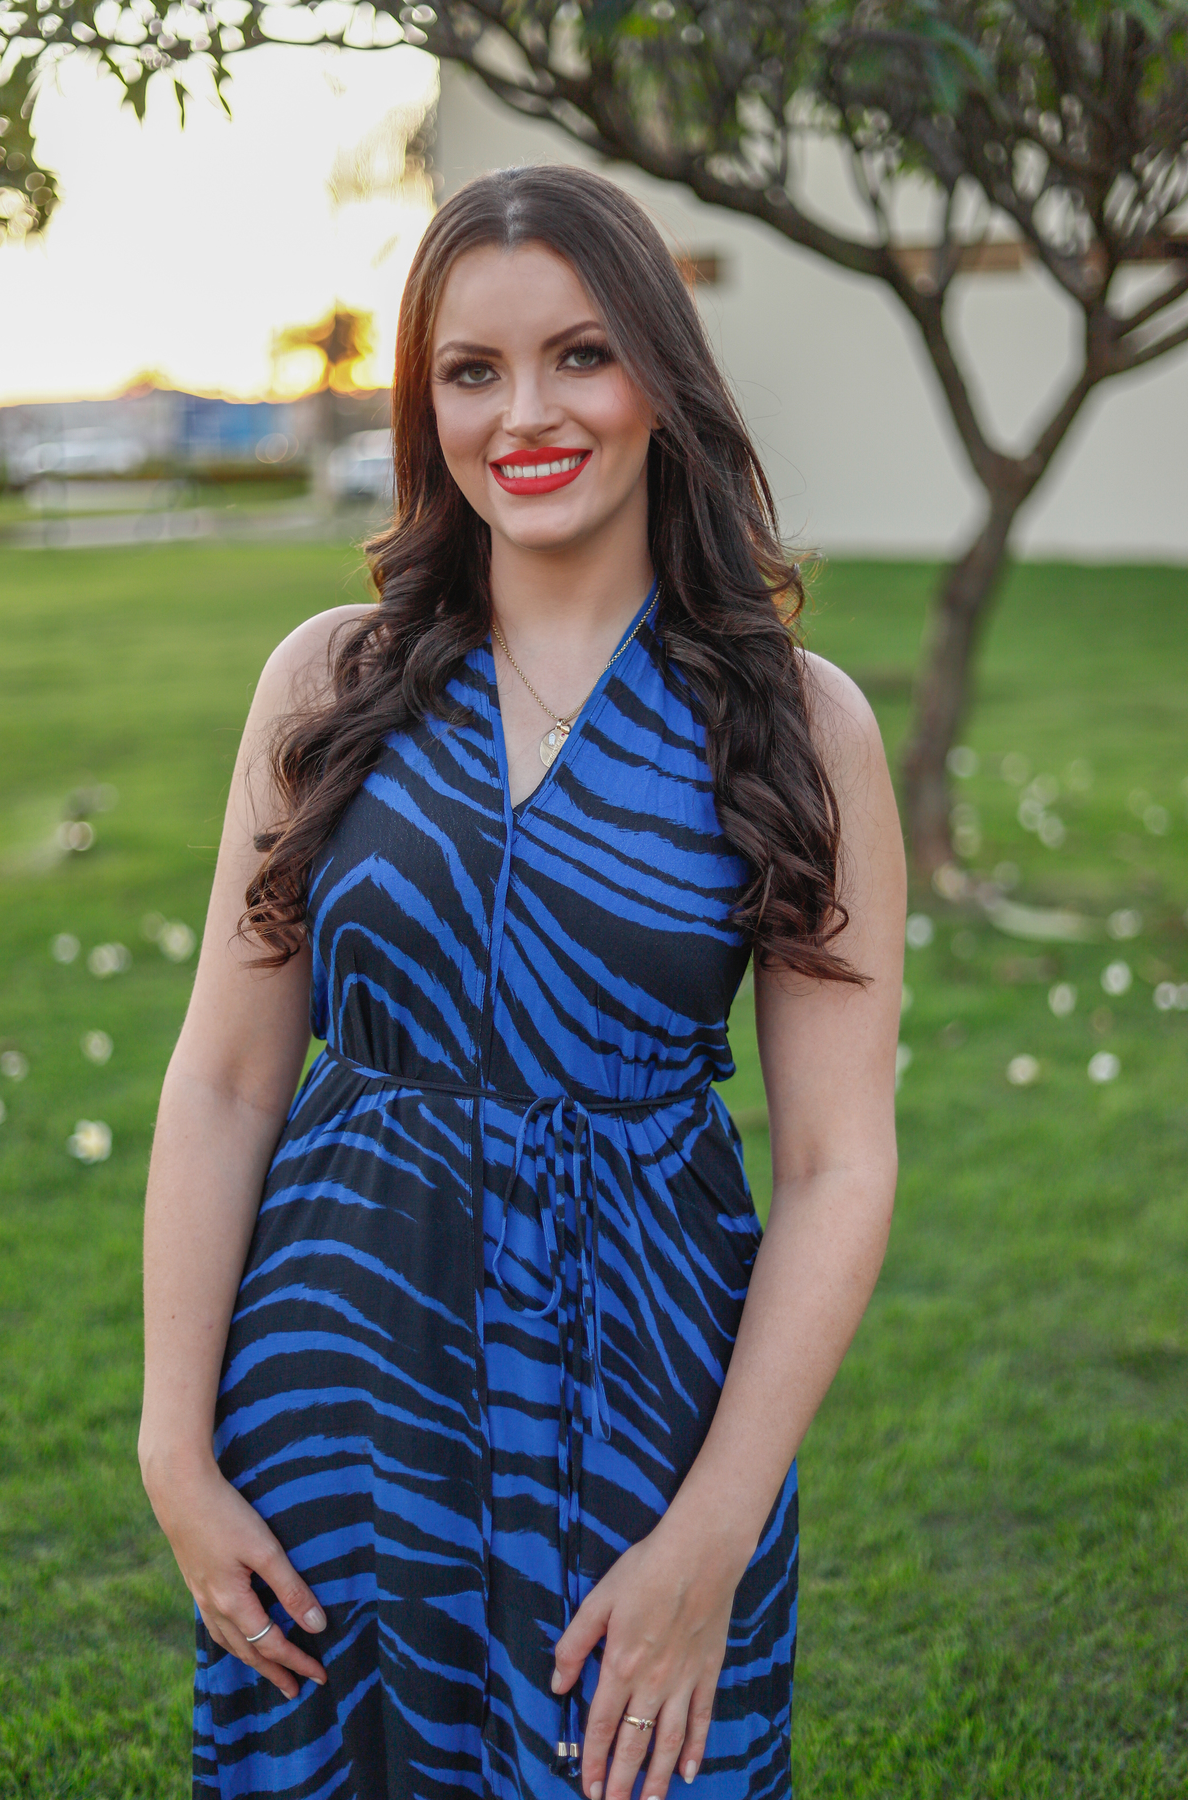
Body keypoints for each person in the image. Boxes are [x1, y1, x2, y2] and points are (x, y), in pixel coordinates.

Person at [139, 164, 904, 1800]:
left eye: (580, 354)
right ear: (427, 409)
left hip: (650, 1409)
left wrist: (715, 1531)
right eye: (472, 372)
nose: (526, 415)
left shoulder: (795, 722)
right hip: (335, 1379)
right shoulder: (327, 684)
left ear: (660, 376)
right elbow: (225, 1081)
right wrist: (174, 1447)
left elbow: (839, 1164)